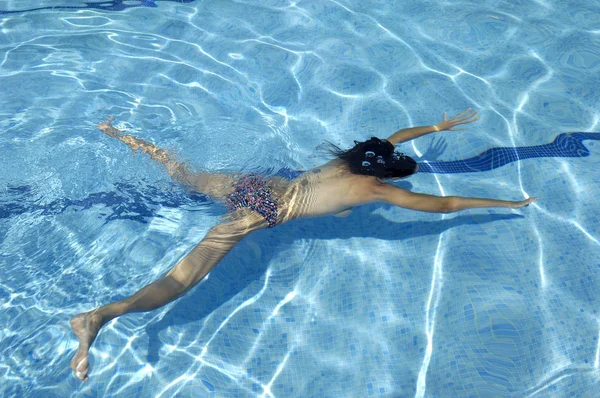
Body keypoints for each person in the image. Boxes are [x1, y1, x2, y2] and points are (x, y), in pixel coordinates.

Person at [70, 109, 538, 381]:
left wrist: (436, 129)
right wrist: (508, 200)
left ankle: (120, 135)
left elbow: (395, 137)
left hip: (255, 186)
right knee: (183, 280)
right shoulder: (377, 191)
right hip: (263, 213)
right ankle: (99, 318)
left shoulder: (355, 161)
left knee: (184, 174)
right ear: (384, 177)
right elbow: (446, 205)